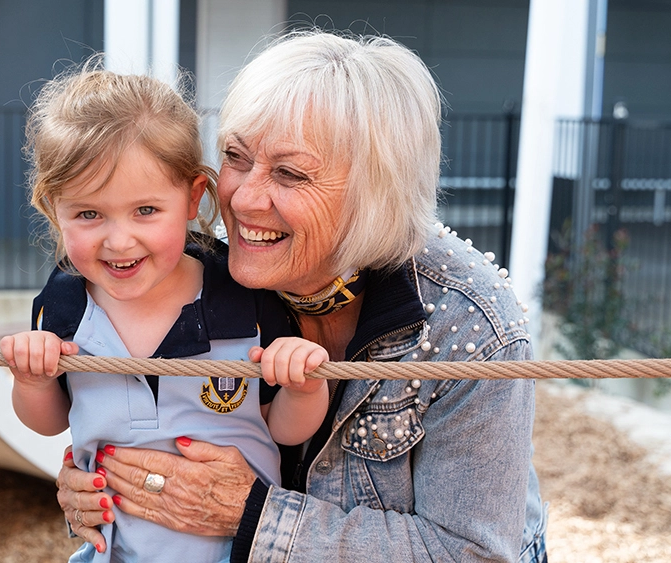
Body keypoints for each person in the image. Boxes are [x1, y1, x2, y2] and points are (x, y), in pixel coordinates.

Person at [54, 30, 549, 563]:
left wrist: (253, 516)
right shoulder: (196, 275)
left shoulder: (472, 326)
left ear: (373, 193)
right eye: (237, 158)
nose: (242, 198)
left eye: (289, 173)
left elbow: (472, 554)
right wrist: (97, 490)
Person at [0, 66, 331, 562]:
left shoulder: (241, 296)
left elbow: (283, 428)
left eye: (146, 211)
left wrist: (305, 383)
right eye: (88, 214)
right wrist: (31, 379)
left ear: (194, 197)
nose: (119, 240)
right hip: (114, 552)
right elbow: (51, 422)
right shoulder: (64, 304)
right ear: (54, 208)